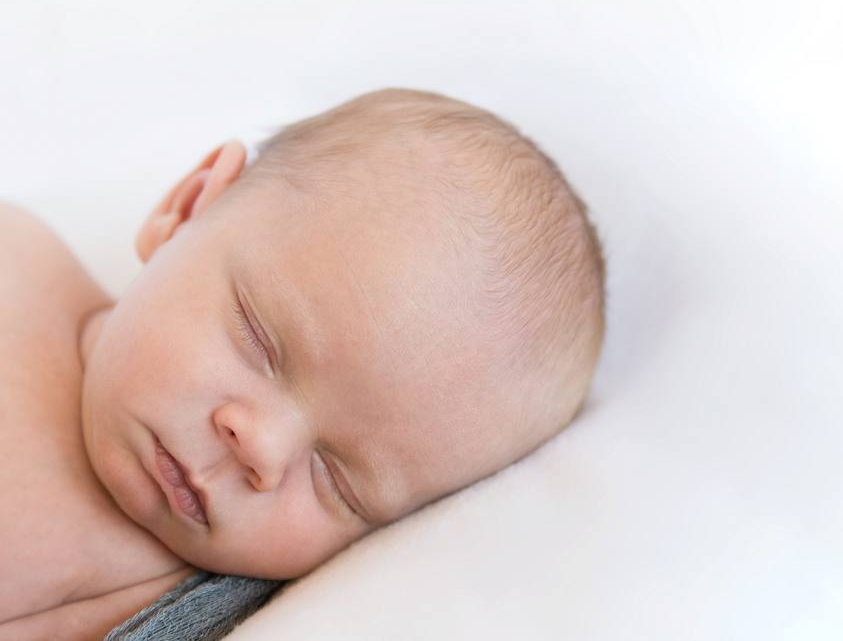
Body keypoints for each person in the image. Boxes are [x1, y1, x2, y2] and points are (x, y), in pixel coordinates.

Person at [0, 88, 607, 639]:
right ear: (188, 208)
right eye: (260, 341)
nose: (259, 448)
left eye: (336, 480)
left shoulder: (157, 602)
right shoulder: (17, 258)